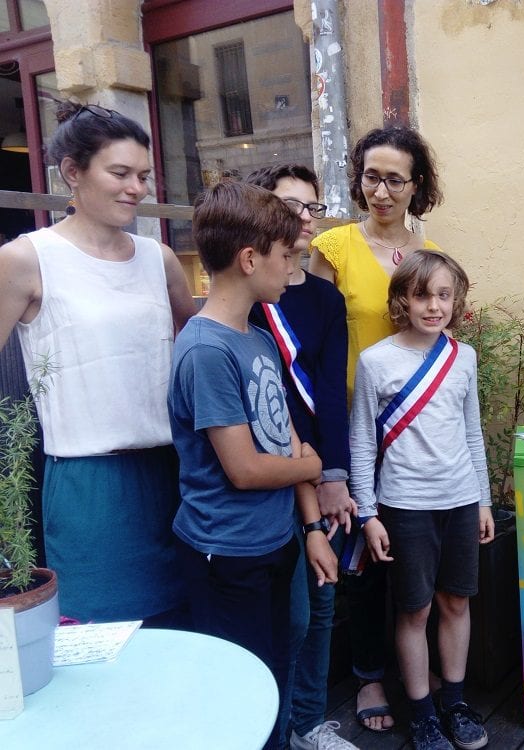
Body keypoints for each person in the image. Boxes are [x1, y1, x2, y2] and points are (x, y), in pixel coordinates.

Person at [0, 101, 196, 623]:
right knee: (103, 639)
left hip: (174, 473)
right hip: (89, 487)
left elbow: (199, 345)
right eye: (120, 173)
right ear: (72, 172)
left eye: (144, 175)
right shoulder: (26, 258)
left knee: (184, 633)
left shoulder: (161, 259)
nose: (137, 187)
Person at [169, 181, 339, 750]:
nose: (293, 265)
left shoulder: (259, 337)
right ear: (249, 259)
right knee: (241, 683)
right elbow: (244, 468)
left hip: (275, 539)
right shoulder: (207, 351)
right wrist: (312, 464)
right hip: (227, 553)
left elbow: (284, 436)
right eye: (286, 255)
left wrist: (311, 524)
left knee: (282, 655)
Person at [309, 125, 443, 732]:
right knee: (362, 553)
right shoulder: (332, 247)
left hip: (415, 428)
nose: (381, 190)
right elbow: (312, 342)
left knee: (413, 548)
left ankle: (416, 667)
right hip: (353, 423)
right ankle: (367, 677)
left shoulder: (427, 249)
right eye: (371, 176)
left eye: (395, 178)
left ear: (417, 185)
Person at [350, 249, 494, 750]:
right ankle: (422, 710)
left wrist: (483, 501)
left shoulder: (464, 357)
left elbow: (472, 432)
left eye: (443, 295)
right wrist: (367, 513)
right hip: (404, 504)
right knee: (413, 610)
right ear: (401, 301)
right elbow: (363, 444)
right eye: (421, 295)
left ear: (456, 300)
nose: (433, 306)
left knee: (456, 602)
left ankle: (453, 700)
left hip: (459, 499)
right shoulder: (376, 361)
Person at [245, 165, 357, 750]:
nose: (304, 217)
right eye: (291, 205)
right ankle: (272, 725)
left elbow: (331, 395)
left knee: (319, 601)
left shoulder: (324, 299)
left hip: (317, 469)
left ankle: (310, 722)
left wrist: (335, 475)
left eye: (311, 207)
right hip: (263, 477)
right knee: (279, 616)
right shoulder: (247, 292)